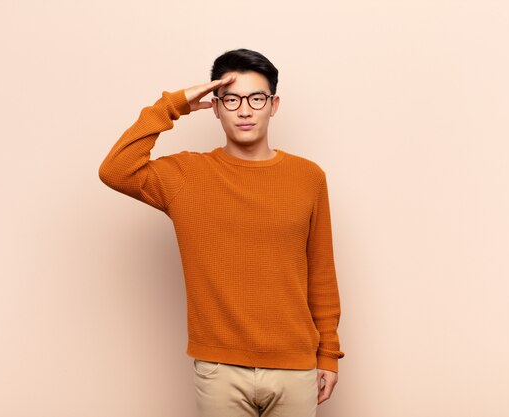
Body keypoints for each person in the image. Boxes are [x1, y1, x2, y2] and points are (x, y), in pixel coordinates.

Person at [99, 48, 344, 417]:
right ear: (214, 107)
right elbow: (116, 170)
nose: (244, 110)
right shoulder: (186, 176)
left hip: (295, 366)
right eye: (231, 99)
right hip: (219, 368)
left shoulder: (309, 177)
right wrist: (173, 105)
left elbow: (321, 272)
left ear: (273, 105)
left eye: (256, 98)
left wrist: (329, 354)